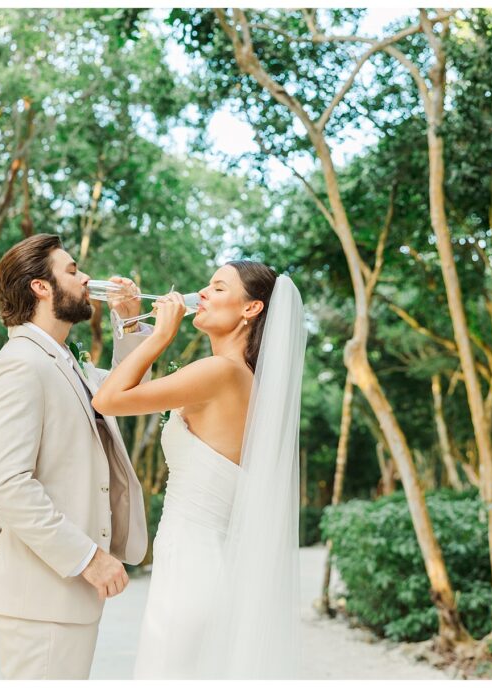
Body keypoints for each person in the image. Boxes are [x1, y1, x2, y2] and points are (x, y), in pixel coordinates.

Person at [92, 261, 306, 679]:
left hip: (194, 568)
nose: (202, 294)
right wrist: (130, 320)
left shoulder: (221, 372)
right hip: (204, 562)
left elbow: (109, 400)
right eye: (205, 285)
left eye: (218, 288)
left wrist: (160, 335)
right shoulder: (241, 378)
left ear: (251, 309)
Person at [0, 233, 150, 680]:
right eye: (72, 271)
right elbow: (6, 484)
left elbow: (124, 392)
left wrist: (130, 324)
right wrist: (89, 558)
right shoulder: (20, 363)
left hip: (60, 597)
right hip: (41, 593)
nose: (86, 277)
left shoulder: (63, 360)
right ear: (40, 287)